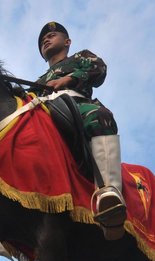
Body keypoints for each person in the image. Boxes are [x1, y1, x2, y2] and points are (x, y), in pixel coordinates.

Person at [35, 22, 126, 241]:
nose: (46, 39)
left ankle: (109, 191)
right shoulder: (38, 81)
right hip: (46, 114)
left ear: (67, 42)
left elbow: (99, 68)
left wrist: (69, 79)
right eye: (42, 40)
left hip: (77, 105)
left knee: (99, 116)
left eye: (52, 35)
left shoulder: (80, 57)